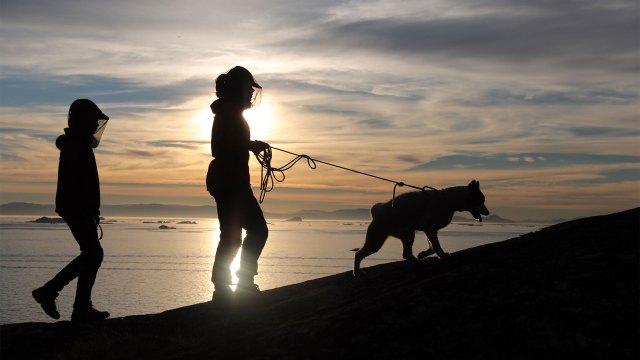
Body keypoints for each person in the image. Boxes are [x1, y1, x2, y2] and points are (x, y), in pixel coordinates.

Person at [32, 99, 111, 322]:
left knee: (91, 254)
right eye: (92, 121)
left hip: (78, 207)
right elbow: (77, 183)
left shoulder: (77, 144)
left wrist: (91, 209)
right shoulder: (75, 146)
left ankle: (64, 299)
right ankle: (68, 301)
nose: (96, 126)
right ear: (83, 121)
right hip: (77, 207)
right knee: (93, 254)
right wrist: (87, 209)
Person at [206, 66, 270, 300]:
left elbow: (228, 143)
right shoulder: (229, 113)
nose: (251, 95)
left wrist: (249, 145)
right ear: (239, 90)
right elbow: (220, 147)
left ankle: (226, 286)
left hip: (228, 181)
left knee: (233, 235)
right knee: (255, 231)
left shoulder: (229, 112)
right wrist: (249, 146)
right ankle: (237, 284)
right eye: (248, 89)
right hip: (231, 182)